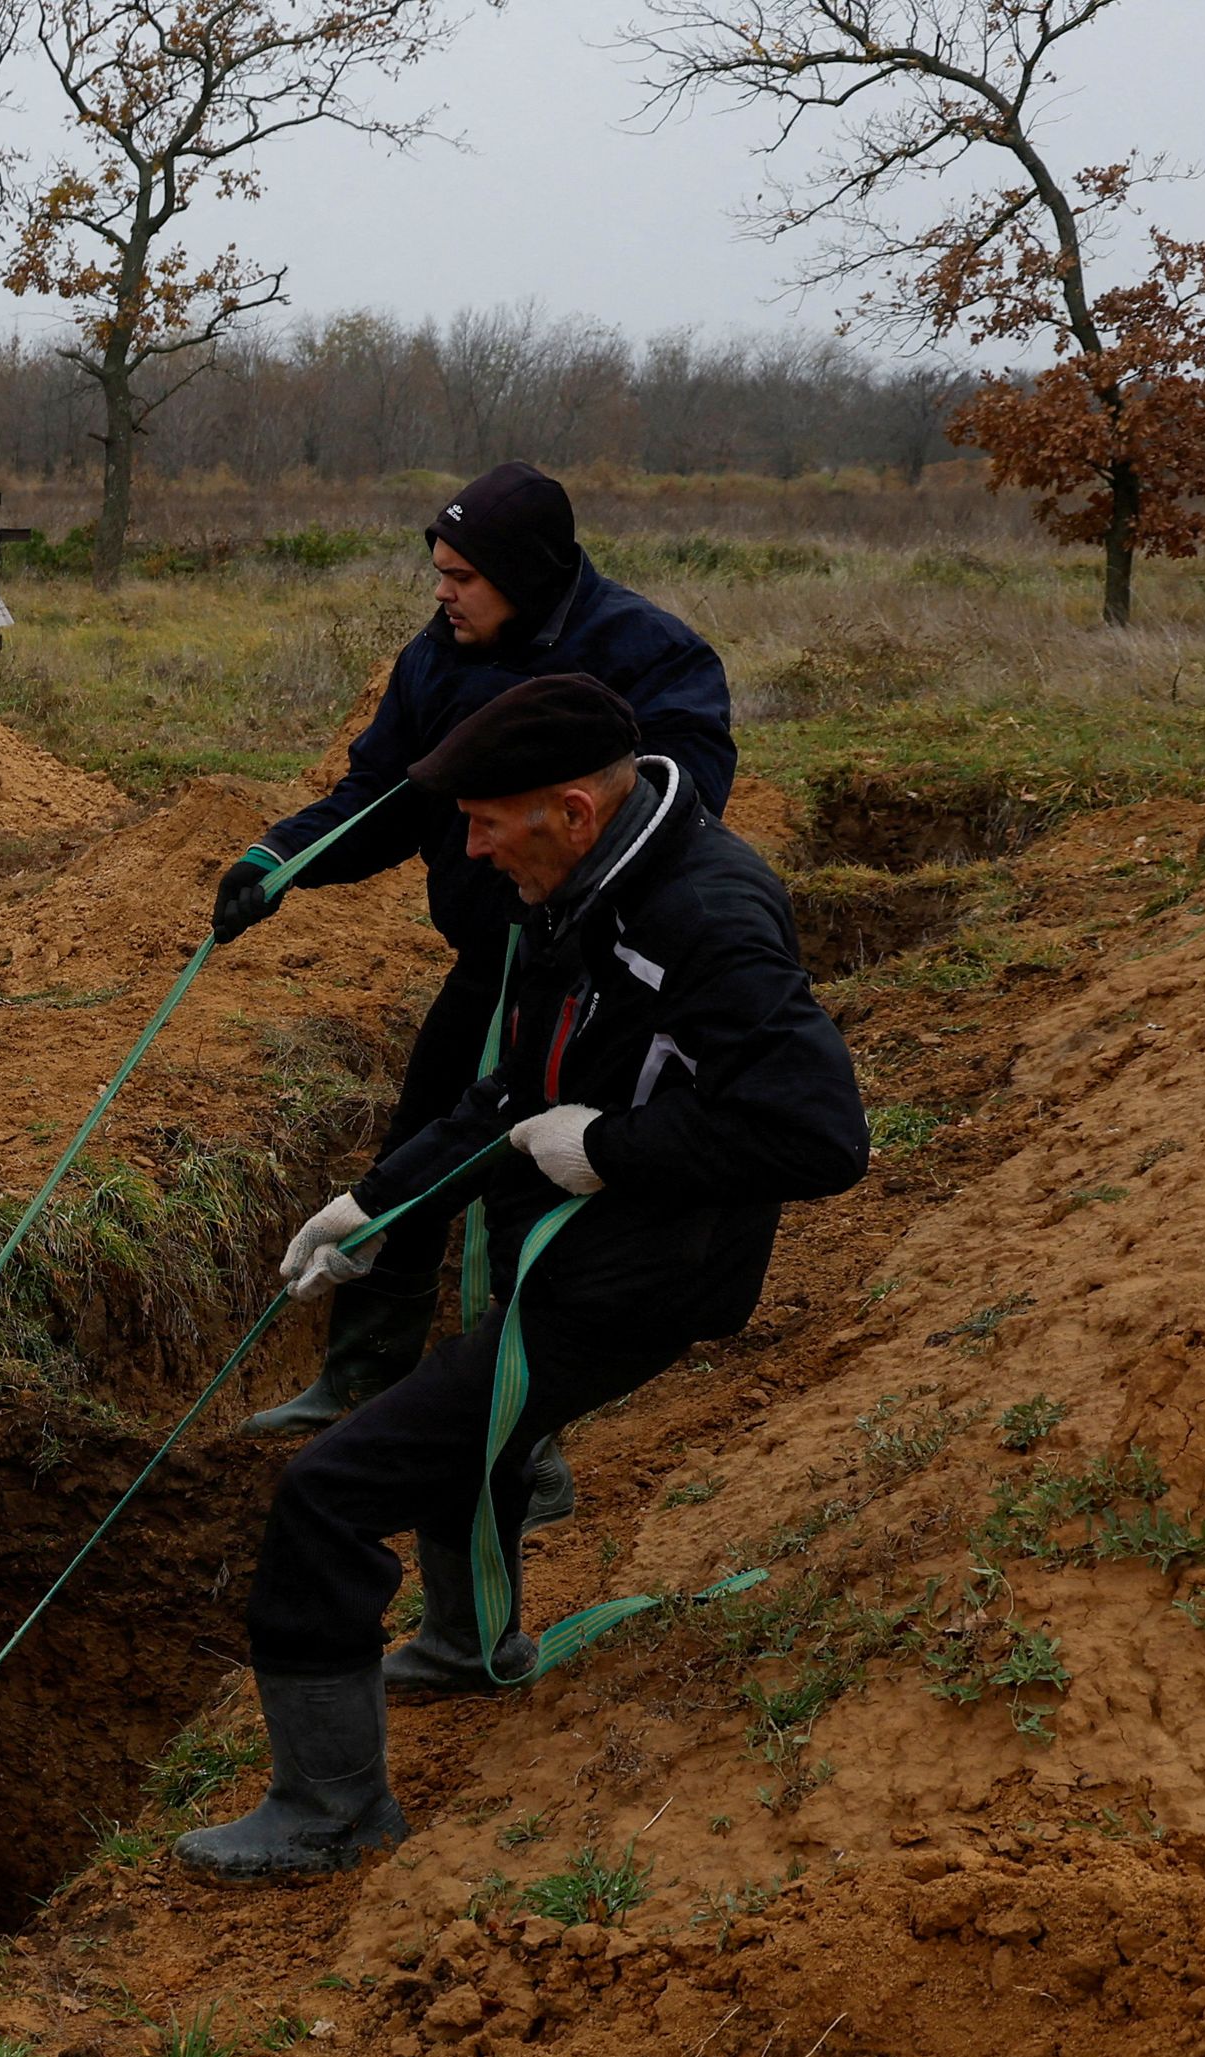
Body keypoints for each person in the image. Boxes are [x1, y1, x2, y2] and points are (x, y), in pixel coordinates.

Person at [179, 675, 865, 1884]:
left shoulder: (706, 916)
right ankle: (460, 1644)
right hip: (577, 1250)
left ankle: (328, 1808)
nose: (473, 848)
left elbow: (819, 1134)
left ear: (573, 811)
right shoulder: (572, 895)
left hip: (640, 1277)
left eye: (489, 822)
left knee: (325, 1495)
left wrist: (606, 1149)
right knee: (473, 1422)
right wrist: (379, 1203)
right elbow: (507, 1094)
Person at [217, 462, 739, 1535]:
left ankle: (523, 1442)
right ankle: (362, 1374)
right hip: (485, 963)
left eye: (463, 576)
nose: (444, 594)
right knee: (420, 1140)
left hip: (595, 980)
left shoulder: (653, 656)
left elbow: (680, 802)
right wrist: (277, 863)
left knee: (525, 1198)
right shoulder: (434, 659)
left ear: (527, 574)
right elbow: (384, 796)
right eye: (439, 572)